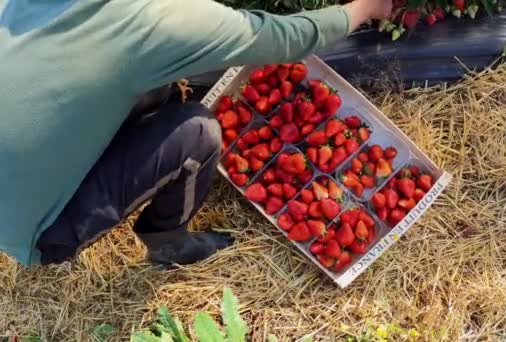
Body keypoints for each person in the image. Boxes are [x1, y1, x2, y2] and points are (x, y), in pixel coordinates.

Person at [0, 0, 392, 267]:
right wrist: (364, 8)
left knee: (148, 84)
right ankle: (169, 243)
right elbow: (286, 38)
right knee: (198, 132)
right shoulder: (155, 19)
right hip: (36, 234)